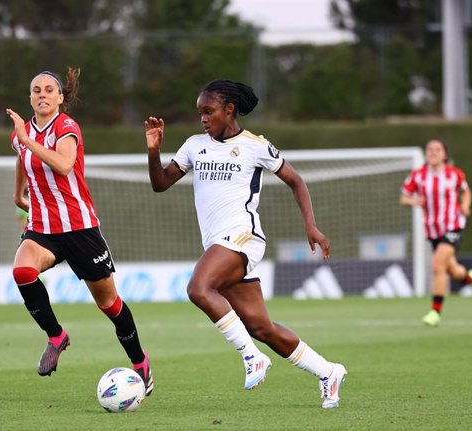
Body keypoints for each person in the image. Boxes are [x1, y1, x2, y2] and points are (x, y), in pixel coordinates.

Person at [144, 79, 346, 409]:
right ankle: (328, 372)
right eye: (199, 113)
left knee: (198, 288)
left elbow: (296, 181)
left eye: (208, 111)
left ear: (229, 110)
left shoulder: (255, 146)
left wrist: (310, 224)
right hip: (218, 244)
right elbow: (160, 184)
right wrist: (154, 151)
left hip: (244, 237)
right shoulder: (195, 146)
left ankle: (252, 358)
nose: (203, 119)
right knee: (260, 327)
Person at [5, 68, 153, 395]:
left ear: (60, 98)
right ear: (30, 97)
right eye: (36, 90)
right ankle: (56, 335)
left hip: (80, 228)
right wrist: (19, 194)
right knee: (22, 271)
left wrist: (28, 141)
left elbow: (64, 165)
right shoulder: (21, 134)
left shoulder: (66, 127)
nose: (42, 95)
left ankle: (139, 360)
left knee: (109, 303)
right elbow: (21, 156)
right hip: (43, 228)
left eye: (48, 90)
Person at [400, 138, 472, 327]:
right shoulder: (418, 176)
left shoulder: (454, 174)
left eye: (437, 149)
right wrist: (413, 201)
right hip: (433, 230)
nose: (433, 152)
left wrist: (465, 206)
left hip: (453, 225)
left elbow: (466, 192)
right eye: (430, 149)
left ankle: (435, 312)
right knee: (453, 271)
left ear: (445, 155)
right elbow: (403, 197)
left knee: (438, 266)